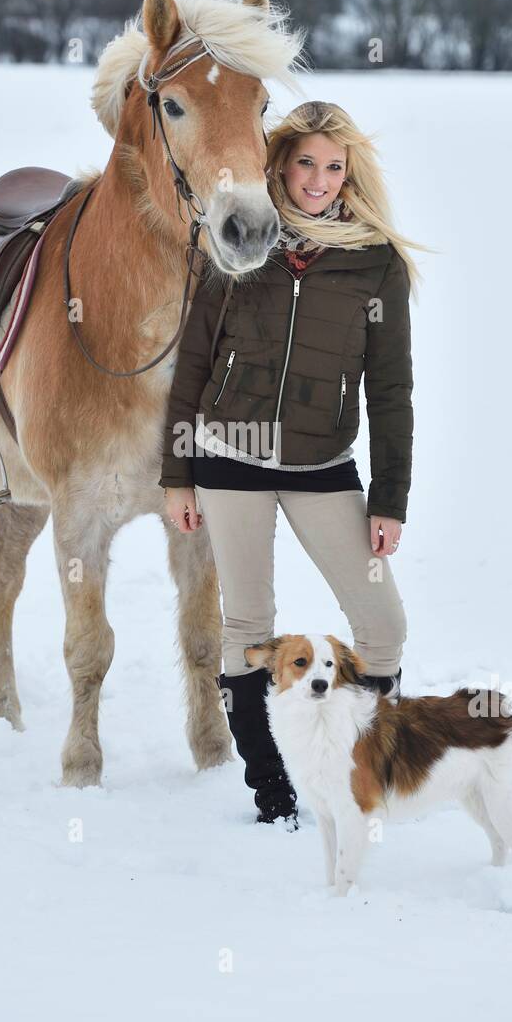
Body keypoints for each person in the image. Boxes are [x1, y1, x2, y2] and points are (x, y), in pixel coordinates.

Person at [160, 101, 420, 824]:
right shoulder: (238, 246)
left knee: (382, 626)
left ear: (349, 174)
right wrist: (177, 472)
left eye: (333, 166)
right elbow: (193, 364)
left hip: (321, 465)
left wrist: (389, 499)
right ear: (278, 165)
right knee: (247, 626)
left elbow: (390, 388)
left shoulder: (375, 263)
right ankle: (273, 794)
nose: (318, 179)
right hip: (226, 458)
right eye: (305, 162)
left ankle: (353, 767)